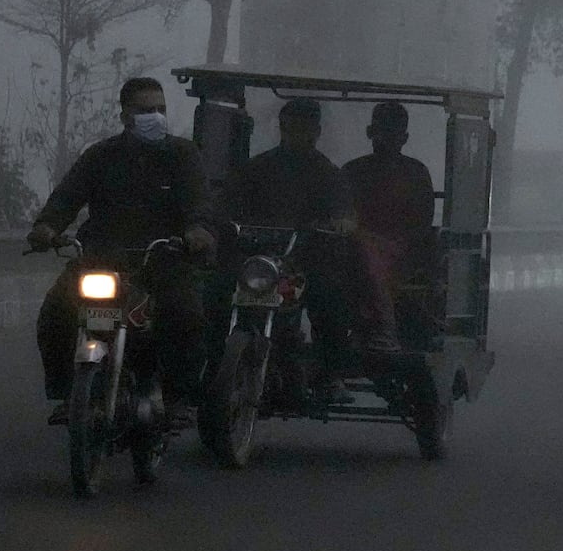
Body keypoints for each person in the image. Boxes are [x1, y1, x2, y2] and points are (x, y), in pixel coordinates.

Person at [28, 77, 218, 426]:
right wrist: (47, 228)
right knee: (56, 313)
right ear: (124, 115)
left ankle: (177, 399)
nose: (155, 116)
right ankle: (67, 393)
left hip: (164, 259)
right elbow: (67, 197)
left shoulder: (183, 155)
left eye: (160, 109)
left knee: (184, 315)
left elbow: (199, 202)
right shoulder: (100, 156)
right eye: (145, 110)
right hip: (100, 258)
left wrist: (197, 231)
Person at [223, 98, 400, 382]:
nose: (299, 134)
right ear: (282, 127)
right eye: (293, 127)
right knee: (216, 291)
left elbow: (345, 212)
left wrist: (341, 223)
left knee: (330, 300)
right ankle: (209, 369)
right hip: (257, 260)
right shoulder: (256, 168)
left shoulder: (328, 173)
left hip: (307, 263)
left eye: (306, 129)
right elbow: (229, 205)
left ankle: (329, 376)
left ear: (317, 132)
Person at [343, 102, 437, 338]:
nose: (386, 141)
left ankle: (386, 327)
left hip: (401, 251)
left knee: (369, 251)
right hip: (348, 248)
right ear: (370, 133)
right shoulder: (352, 171)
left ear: (404, 137)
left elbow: (422, 223)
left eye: (393, 134)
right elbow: (338, 212)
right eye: (382, 133)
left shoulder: (416, 173)